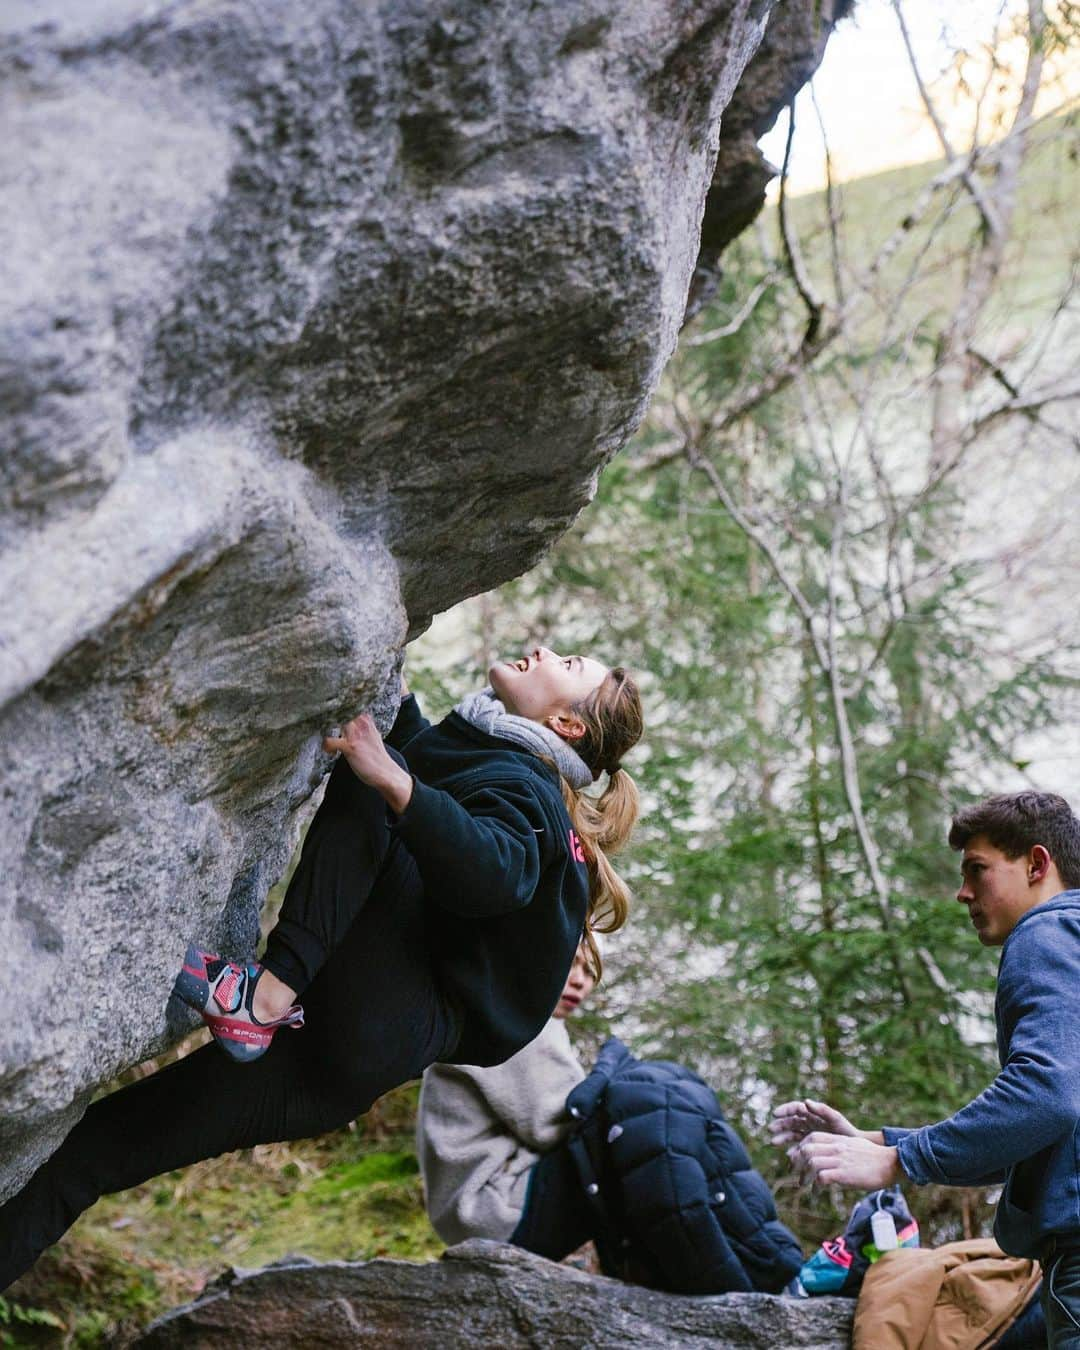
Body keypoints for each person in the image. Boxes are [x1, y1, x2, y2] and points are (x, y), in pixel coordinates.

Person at [0, 646, 643, 1290]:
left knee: (374, 773)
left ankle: (265, 998)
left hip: (364, 1020)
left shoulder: (525, 786)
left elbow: (493, 873)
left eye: (569, 662)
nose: (543, 651)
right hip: (336, 1062)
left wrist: (392, 780)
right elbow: (420, 750)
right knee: (89, 1153)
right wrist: (384, 674)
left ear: (567, 726)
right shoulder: (488, 751)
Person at [770, 791, 1080, 1349]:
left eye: (978, 871)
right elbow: (1048, 1131)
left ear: (1037, 865)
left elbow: (1046, 1094)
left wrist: (898, 1160)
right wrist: (878, 1139)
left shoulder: (1044, 934)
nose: (963, 893)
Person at [416, 940, 595, 1257]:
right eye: (571, 963)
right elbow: (561, 1124)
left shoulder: (503, 1011)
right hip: (490, 1207)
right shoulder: (518, 1021)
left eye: (590, 970)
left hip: (468, 1211)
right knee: (621, 1143)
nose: (580, 980)